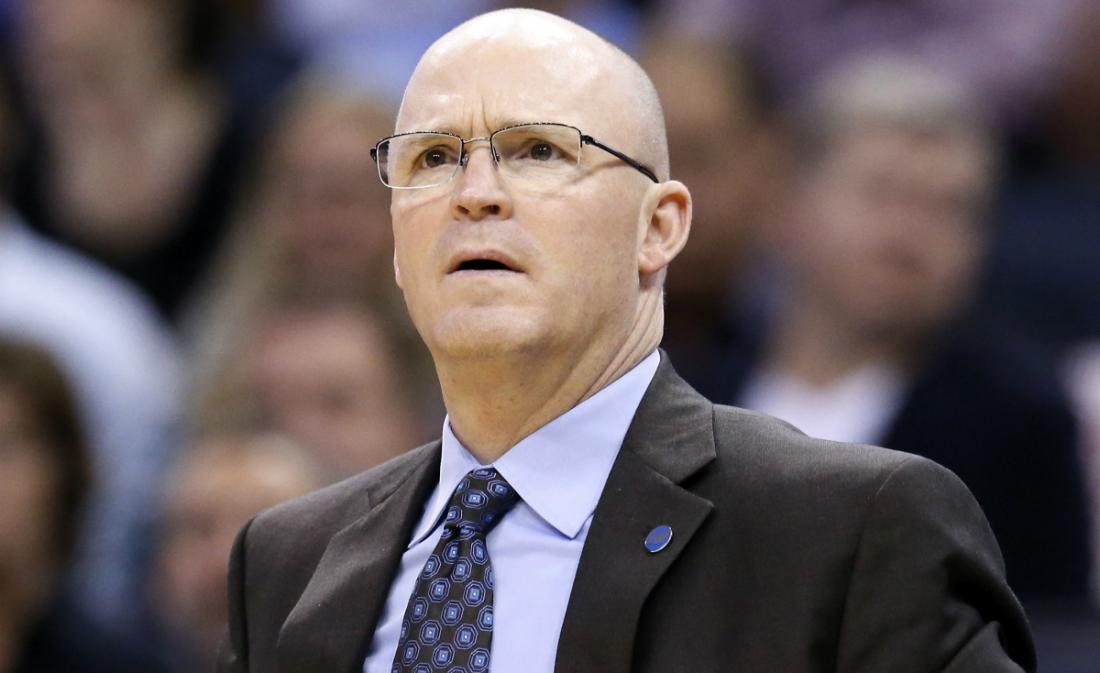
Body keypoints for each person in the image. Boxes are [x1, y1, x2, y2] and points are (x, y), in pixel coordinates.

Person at [218, 9, 1034, 673]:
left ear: (659, 228)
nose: (474, 194)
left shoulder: (851, 529)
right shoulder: (286, 560)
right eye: (432, 158)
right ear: (398, 241)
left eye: (538, 150)